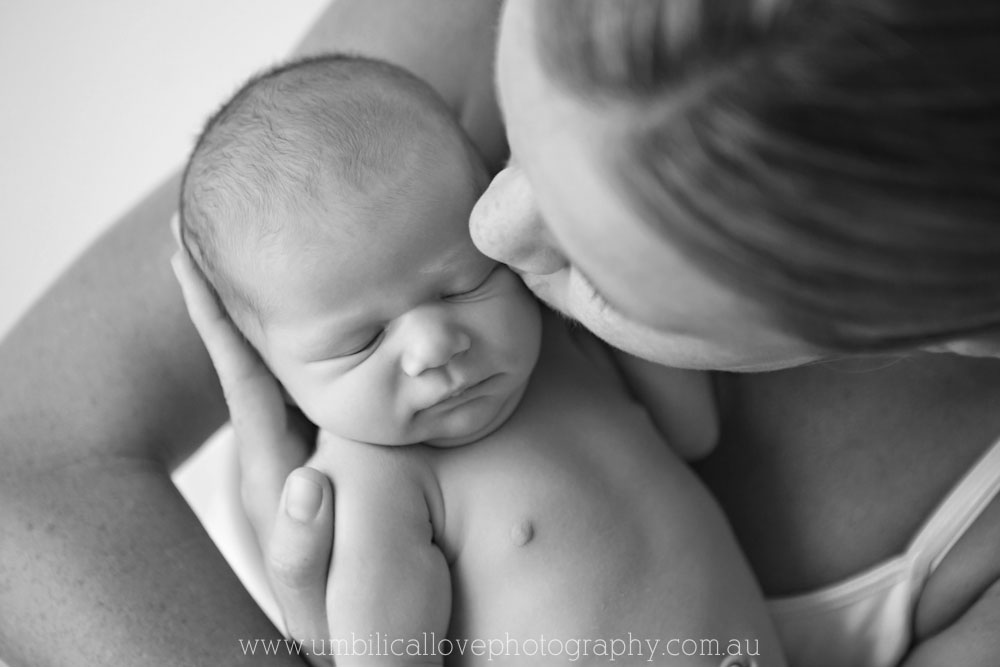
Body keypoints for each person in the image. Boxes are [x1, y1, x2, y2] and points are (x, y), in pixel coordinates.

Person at [1, 1, 998, 666]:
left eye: (595, 260)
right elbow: (23, 467)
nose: (487, 228)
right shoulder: (381, 116)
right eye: (506, 145)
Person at [174, 53, 778, 666]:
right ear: (275, 378)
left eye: (463, 286)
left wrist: (606, 267)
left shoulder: (563, 349)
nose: (433, 347)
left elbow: (693, 431)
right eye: (361, 342)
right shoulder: (377, 485)